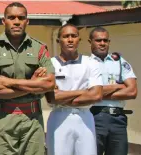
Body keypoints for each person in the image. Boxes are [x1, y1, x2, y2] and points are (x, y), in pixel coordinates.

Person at [0, 2, 55, 154]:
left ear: (27, 21)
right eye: (11, 17)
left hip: (33, 120)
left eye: (21, 18)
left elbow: (49, 83)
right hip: (3, 119)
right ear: (4, 21)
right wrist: (34, 85)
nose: (16, 21)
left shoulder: (39, 48)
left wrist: (8, 82)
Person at [45, 24, 103, 155]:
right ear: (58, 40)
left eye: (74, 36)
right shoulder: (50, 64)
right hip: (59, 117)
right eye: (66, 36)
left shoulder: (91, 63)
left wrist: (62, 96)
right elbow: (51, 97)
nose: (70, 40)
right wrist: (84, 91)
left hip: (85, 117)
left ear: (79, 39)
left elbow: (96, 95)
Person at [88, 27, 137, 155]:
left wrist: (98, 92)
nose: (102, 43)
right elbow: (85, 92)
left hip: (118, 119)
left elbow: (132, 92)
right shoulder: (85, 64)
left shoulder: (120, 62)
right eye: (98, 40)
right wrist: (119, 86)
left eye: (105, 40)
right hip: (94, 117)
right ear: (90, 42)